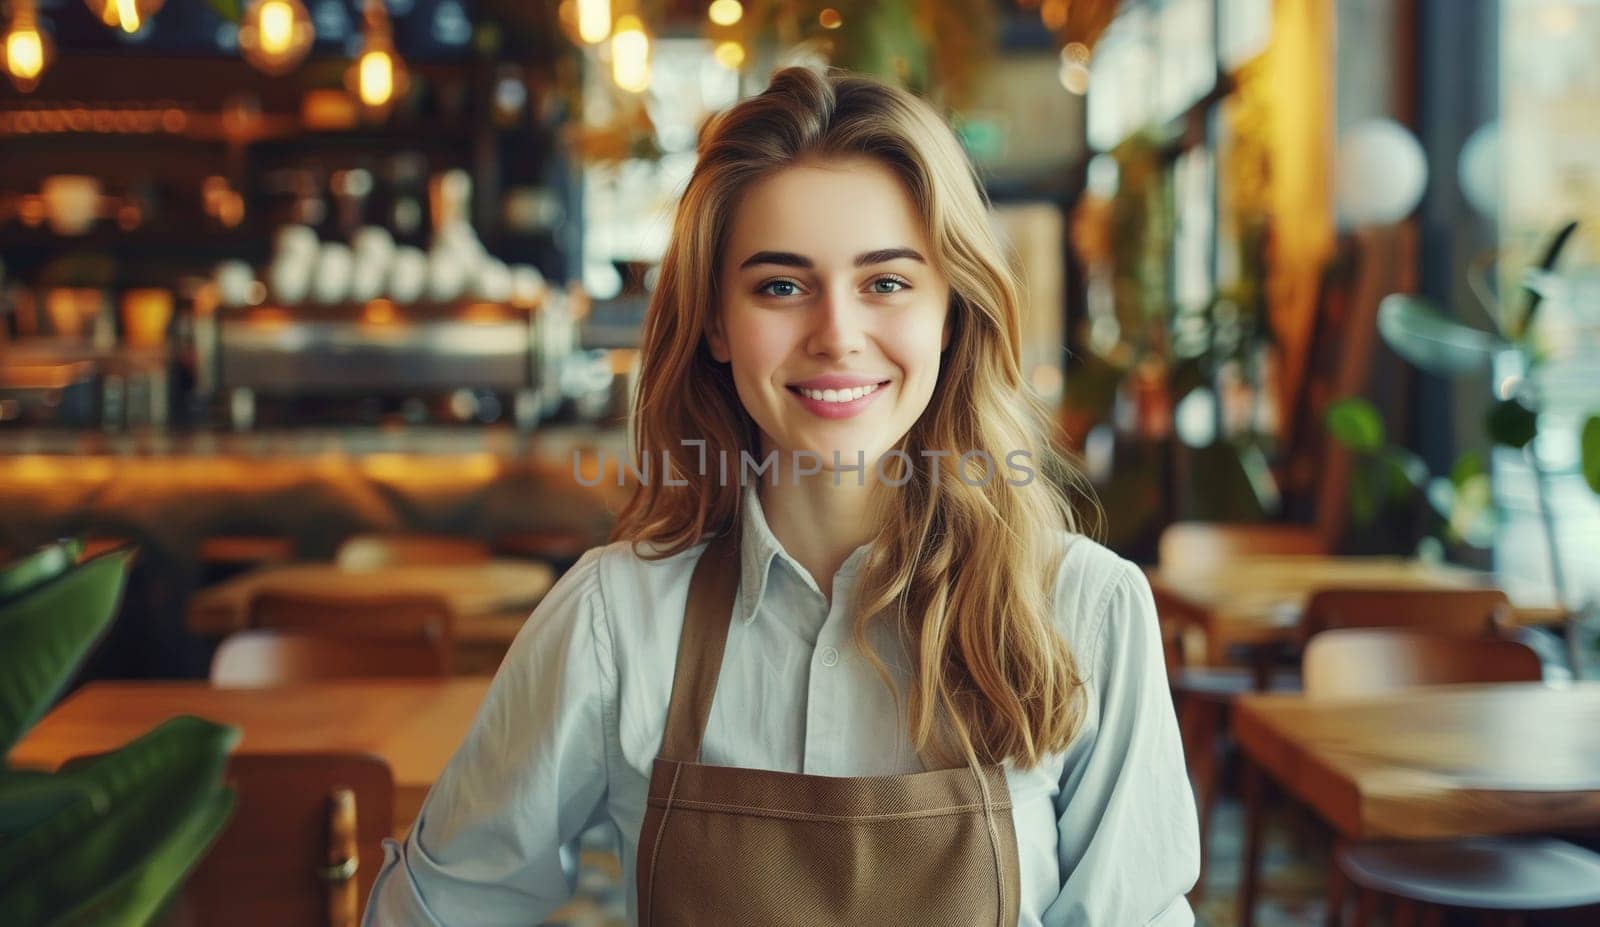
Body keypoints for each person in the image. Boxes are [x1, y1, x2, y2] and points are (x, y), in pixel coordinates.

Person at [364, 66, 1198, 926]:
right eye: (781, 286)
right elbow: (431, 909)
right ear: (717, 323)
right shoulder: (613, 622)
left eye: (886, 281)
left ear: (950, 313)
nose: (837, 334)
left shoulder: (1088, 613)